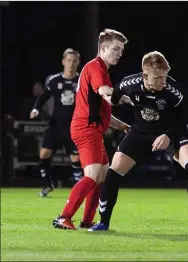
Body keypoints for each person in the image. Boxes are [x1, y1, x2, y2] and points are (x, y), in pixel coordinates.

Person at [88, 51, 188, 234]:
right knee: (113, 174)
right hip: (142, 131)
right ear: (145, 75)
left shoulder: (172, 91)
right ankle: (103, 223)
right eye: (158, 77)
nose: (163, 81)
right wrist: (106, 110)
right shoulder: (129, 84)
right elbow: (113, 97)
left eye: (165, 76)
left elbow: (184, 118)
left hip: (172, 130)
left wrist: (168, 135)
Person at [52, 29, 130, 230]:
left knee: (102, 175)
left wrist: (122, 126)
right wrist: (129, 98)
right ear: (103, 48)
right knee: (94, 174)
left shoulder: (100, 69)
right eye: (115, 49)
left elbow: (103, 110)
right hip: (86, 129)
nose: (119, 53)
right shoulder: (96, 67)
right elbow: (105, 93)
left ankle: (87, 221)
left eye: (121, 50)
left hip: (92, 129)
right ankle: (63, 217)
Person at [30, 48, 83, 197]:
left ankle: (80, 189)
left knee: (76, 158)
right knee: (44, 154)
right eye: (68, 60)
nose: (71, 64)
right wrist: (35, 109)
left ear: (78, 62)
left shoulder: (81, 81)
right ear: (63, 62)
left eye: (74, 61)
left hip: (73, 126)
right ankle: (47, 185)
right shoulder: (55, 80)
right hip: (56, 125)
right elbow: (43, 97)